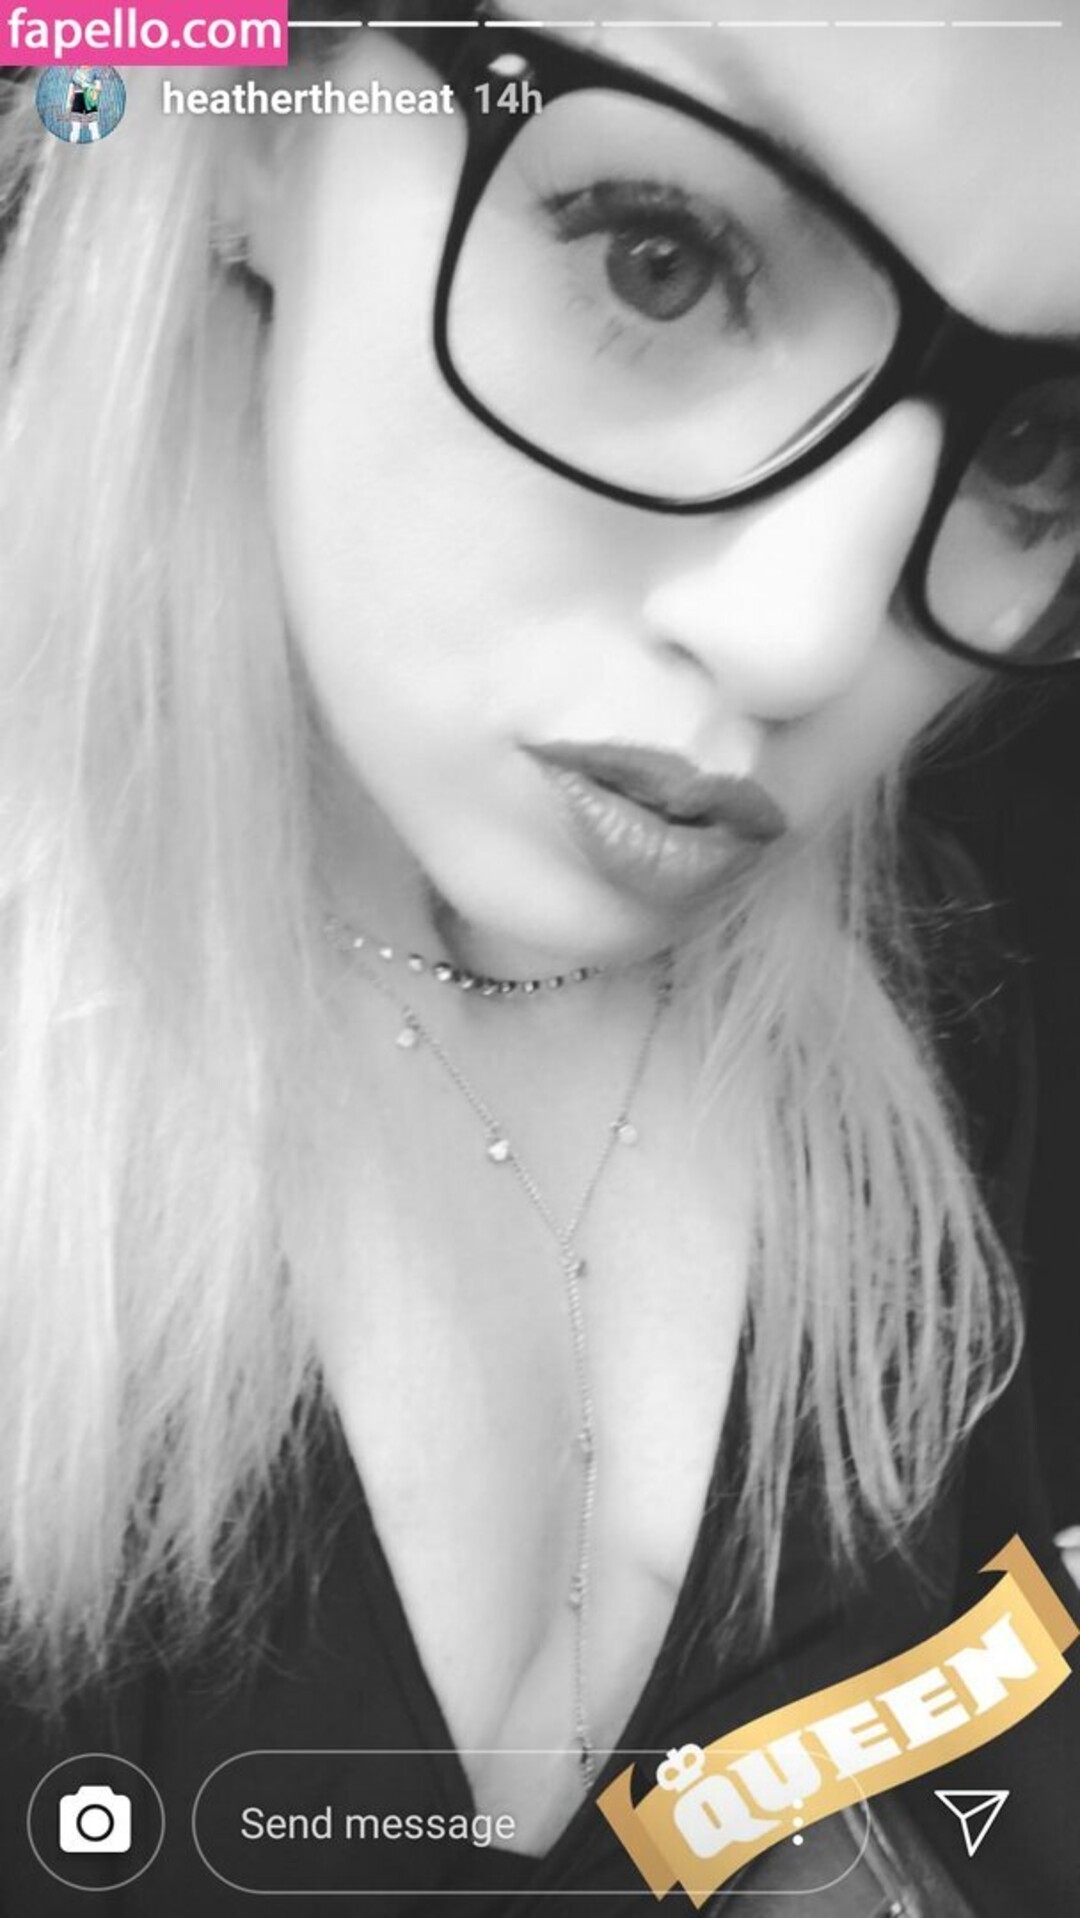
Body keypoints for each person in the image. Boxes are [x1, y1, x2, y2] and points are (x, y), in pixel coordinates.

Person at [0, 3, 1078, 1912]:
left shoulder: (961, 1003)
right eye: (661, 255)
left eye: (1037, 440)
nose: (810, 634)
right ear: (255, 123)